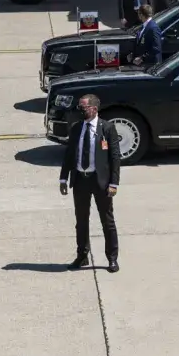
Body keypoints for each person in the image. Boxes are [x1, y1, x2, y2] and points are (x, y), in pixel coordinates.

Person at [60, 94, 121, 272]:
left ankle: (112, 258)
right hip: (80, 180)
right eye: (80, 107)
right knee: (81, 221)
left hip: (100, 181)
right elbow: (69, 154)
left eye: (83, 107)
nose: (80, 110)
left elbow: (115, 158)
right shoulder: (76, 128)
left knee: (107, 221)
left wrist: (114, 183)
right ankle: (82, 255)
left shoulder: (107, 128)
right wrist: (64, 177)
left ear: (94, 109)